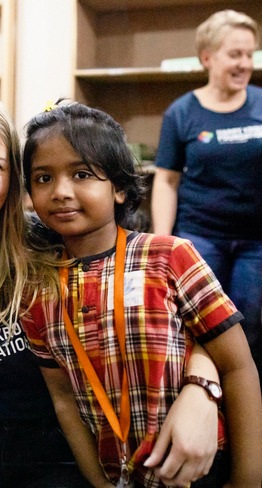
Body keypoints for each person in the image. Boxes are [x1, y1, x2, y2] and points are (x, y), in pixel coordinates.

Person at [0, 89, 219, 488]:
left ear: (13, 176)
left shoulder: (57, 242)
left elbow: (189, 320)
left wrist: (202, 391)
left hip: (61, 459)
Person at [21, 100, 262, 487]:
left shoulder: (170, 256)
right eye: (43, 178)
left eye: (81, 174)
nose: (60, 191)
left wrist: (248, 479)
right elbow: (64, 398)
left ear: (118, 187)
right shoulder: (37, 292)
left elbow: (237, 366)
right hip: (120, 476)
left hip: (200, 470)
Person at [151, 10, 262, 385]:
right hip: (200, 237)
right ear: (207, 57)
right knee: (202, 326)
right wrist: (163, 243)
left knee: (248, 325)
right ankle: (202, 400)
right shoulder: (181, 113)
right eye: (235, 54)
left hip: (255, 242)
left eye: (250, 54)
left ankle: (243, 410)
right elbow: (166, 181)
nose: (245, 63)